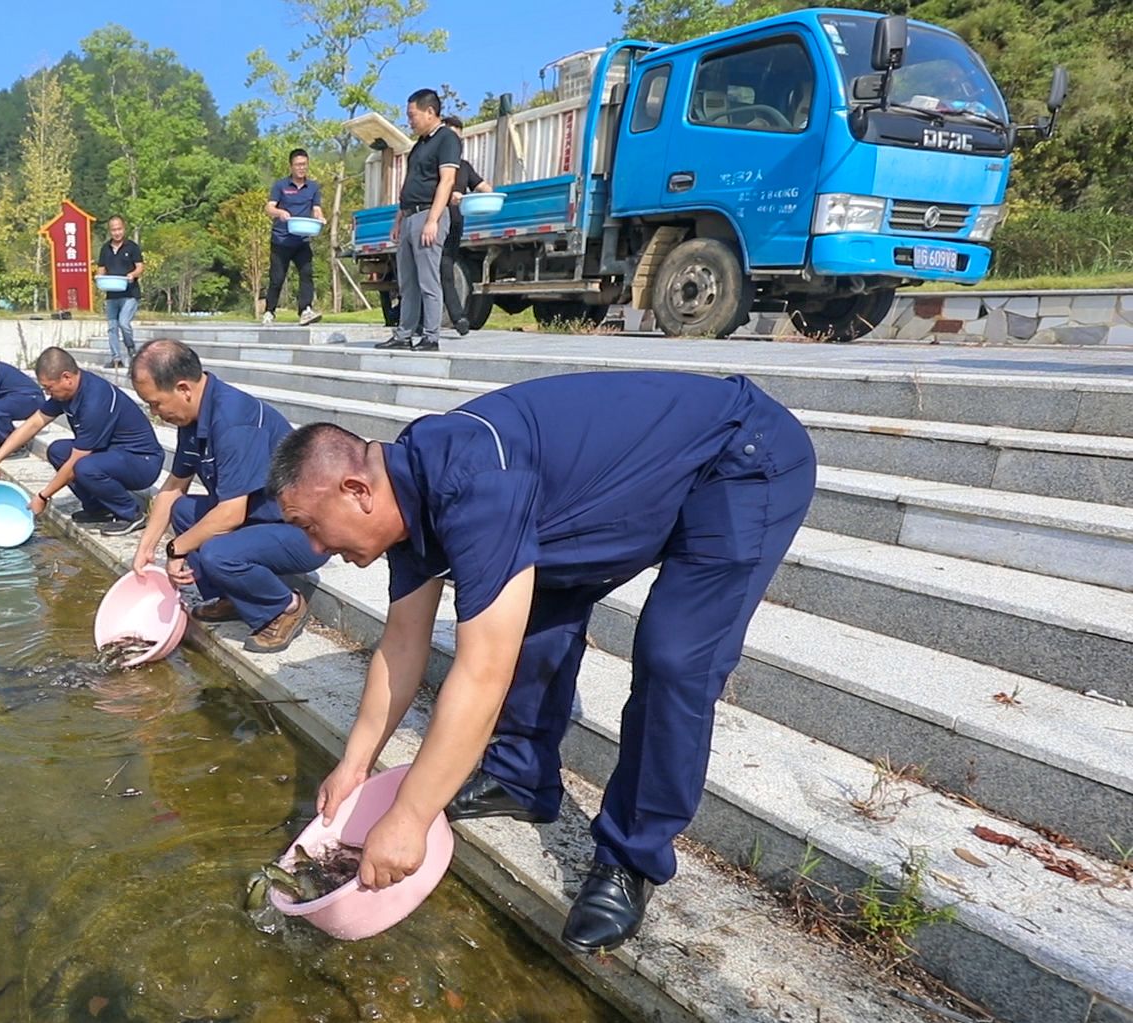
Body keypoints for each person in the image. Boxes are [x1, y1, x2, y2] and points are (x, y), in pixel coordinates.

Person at [267, 371, 815, 952]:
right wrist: (356, 766)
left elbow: (482, 671)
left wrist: (409, 817)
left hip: (739, 459)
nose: (316, 549)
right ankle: (521, 775)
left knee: (674, 656)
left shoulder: (474, 483)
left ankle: (633, 857)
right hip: (613, 492)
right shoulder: (411, 498)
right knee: (531, 621)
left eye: (310, 526)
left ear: (357, 490)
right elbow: (402, 643)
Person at [127, 339, 327, 653]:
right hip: (260, 517)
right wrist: (146, 549)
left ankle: (284, 606)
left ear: (183, 389)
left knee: (217, 553)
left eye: (155, 403)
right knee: (182, 510)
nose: (155, 413)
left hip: (305, 532)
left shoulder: (233, 421)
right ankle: (233, 596)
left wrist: (176, 549)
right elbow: (173, 489)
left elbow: (231, 514)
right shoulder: (193, 418)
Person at [0, 347, 162, 535]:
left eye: (49, 388)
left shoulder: (94, 401)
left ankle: (131, 514)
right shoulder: (66, 393)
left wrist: (43, 496)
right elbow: (33, 423)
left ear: (66, 378)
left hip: (142, 462)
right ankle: (98, 509)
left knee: (84, 467)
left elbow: (76, 460)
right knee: (57, 451)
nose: (48, 393)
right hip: (113, 453)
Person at [375, 89, 461, 353]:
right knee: (407, 281)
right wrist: (399, 218)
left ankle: (431, 336)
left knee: (428, 279)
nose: (409, 121)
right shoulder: (419, 146)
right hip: (410, 216)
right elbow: (410, 184)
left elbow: (446, 181)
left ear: (430, 112)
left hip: (428, 215)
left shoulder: (446, 139)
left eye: (412, 115)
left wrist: (433, 220)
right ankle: (404, 333)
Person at [438, 116, 493, 337]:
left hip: (455, 223)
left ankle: (458, 316)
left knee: (446, 268)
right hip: (434, 221)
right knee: (429, 271)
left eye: (458, 140)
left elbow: (485, 188)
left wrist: (475, 195)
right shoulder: (434, 165)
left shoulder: (464, 167)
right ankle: (454, 316)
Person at [264, 149, 326, 327]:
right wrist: (280, 212)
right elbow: (269, 208)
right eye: (298, 165)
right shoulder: (280, 186)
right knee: (277, 278)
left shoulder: (313, 187)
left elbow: (316, 208)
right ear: (291, 166)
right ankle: (269, 311)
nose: (301, 168)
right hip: (281, 239)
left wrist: (320, 217)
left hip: (302, 239)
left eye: (304, 165)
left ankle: (305, 309)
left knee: (306, 274)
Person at [97, 217, 144, 368]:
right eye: (113, 230)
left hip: (130, 293)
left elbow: (140, 267)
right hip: (112, 293)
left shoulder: (132, 247)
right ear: (110, 231)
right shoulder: (105, 248)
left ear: (124, 228)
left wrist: (132, 275)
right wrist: (99, 277)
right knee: (112, 326)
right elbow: (101, 268)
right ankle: (116, 358)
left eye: (119, 229)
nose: (117, 232)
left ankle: (131, 348)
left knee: (124, 323)